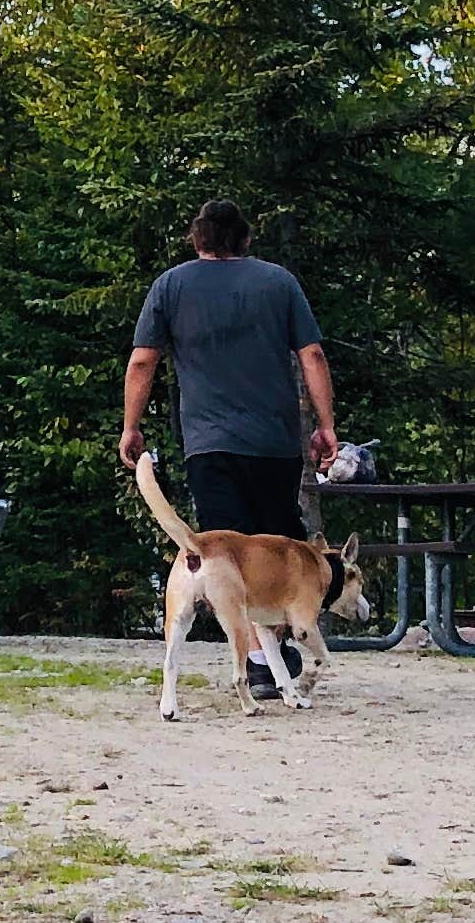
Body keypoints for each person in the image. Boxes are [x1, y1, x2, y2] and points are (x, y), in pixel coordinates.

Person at [118, 200, 339, 701]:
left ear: (197, 241)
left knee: (226, 554)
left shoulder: (171, 286)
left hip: (207, 444)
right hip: (275, 443)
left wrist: (132, 426)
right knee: (278, 552)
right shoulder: (279, 283)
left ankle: (260, 663)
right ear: (245, 239)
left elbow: (142, 362)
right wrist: (326, 426)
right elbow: (313, 355)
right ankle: (270, 659)